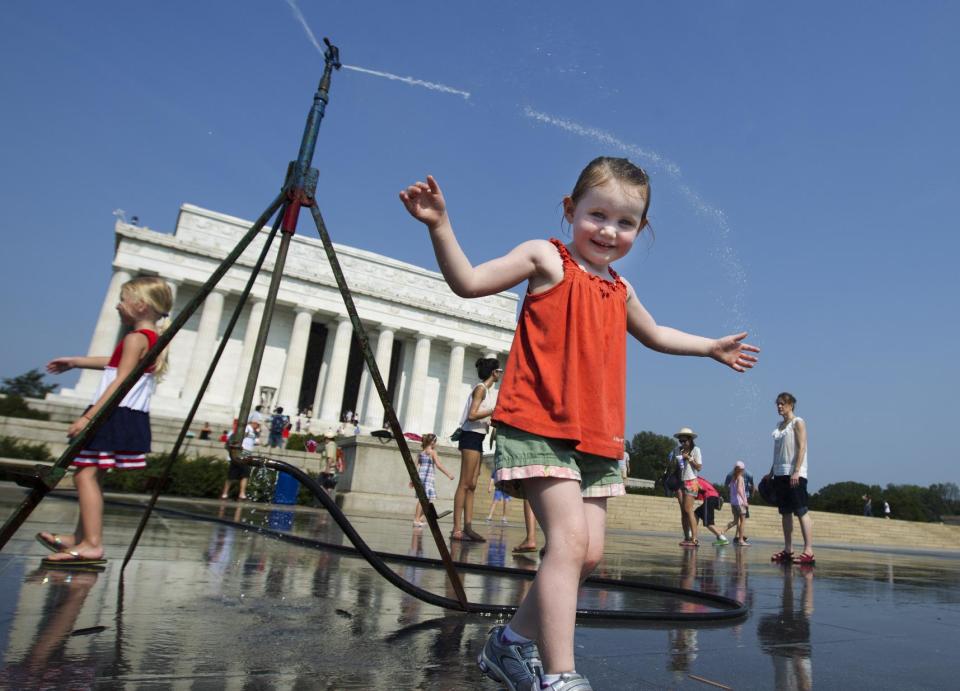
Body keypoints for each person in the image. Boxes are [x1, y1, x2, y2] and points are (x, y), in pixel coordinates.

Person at [400, 156, 758, 690]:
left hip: (596, 438)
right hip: (539, 424)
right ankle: (560, 676)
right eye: (598, 215)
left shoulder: (620, 289)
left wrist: (710, 347)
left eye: (626, 222)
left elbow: (656, 333)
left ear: (642, 229)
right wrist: (441, 226)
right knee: (567, 543)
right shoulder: (547, 257)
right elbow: (470, 282)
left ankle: (509, 644)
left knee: (587, 555)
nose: (609, 232)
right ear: (570, 210)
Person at [39, 276, 173, 565]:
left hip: (113, 413)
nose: (118, 306)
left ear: (140, 306)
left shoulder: (136, 338)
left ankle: (92, 543)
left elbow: (120, 379)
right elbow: (114, 362)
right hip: (128, 415)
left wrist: (88, 417)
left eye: (123, 300)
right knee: (92, 474)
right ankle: (82, 537)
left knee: (83, 474)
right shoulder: (150, 339)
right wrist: (76, 361)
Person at [450, 357, 502, 543]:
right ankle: (457, 528)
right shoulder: (480, 389)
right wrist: (494, 410)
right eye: (499, 371)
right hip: (470, 437)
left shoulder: (486, 391)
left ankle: (468, 527)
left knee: (472, 484)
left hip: (478, 438)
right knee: (465, 483)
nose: (500, 375)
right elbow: (472, 415)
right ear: (494, 373)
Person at [767, 392, 814, 566]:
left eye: (783, 403)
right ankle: (788, 550)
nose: (779, 406)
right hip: (780, 473)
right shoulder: (779, 426)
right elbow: (778, 453)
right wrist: (771, 471)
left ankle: (809, 551)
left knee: (801, 511)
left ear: (791, 405)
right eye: (778, 404)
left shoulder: (798, 422)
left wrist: (796, 471)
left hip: (795, 474)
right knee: (785, 512)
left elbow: (802, 448)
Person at [413, 433, 454, 526]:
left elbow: (414, 467)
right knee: (423, 499)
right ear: (432, 442)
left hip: (422, 477)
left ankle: (421, 518)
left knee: (428, 499)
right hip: (427, 478)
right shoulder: (432, 452)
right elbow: (438, 465)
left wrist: (412, 480)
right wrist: (448, 474)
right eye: (435, 442)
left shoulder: (420, 453)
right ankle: (416, 519)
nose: (436, 444)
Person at [672, 428, 703, 547]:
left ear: (690, 440)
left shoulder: (696, 450)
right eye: (680, 441)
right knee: (683, 512)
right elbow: (676, 467)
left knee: (688, 509)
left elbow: (699, 467)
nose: (682, 443)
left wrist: (688, 458)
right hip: (680, 482)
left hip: (691, 481)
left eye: (684, 441)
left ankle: (694, 538)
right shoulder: (677, 450)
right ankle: (686, 537)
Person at [221, 420, 258, 500]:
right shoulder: (245, 429)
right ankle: (225, 493)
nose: (258, 426)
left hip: (246, 457)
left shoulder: (253, 432)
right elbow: (232, 437)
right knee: (231, 476)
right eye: (257, 424)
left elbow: (254, 442)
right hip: (238, 457)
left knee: (244, 475)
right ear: (253, 423)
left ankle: (241, 493)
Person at [724, 461, 754, 545]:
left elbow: (729, 488)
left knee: (735, 521)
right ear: (742, 469)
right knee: (742, 521)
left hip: (733, 502)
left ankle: (721, 532)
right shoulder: (740, 478)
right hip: (740, 502)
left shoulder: (733, 477)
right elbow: (739, 489)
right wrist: (744, 501)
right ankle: (741, 540)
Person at [693, 477, 729, 545]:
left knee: (708, 523)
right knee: (696, 513)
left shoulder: (694, 480)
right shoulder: (702, 479)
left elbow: (699, 488)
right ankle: (693, 533)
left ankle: (722, 538)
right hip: (715, 497)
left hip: (709, 498)